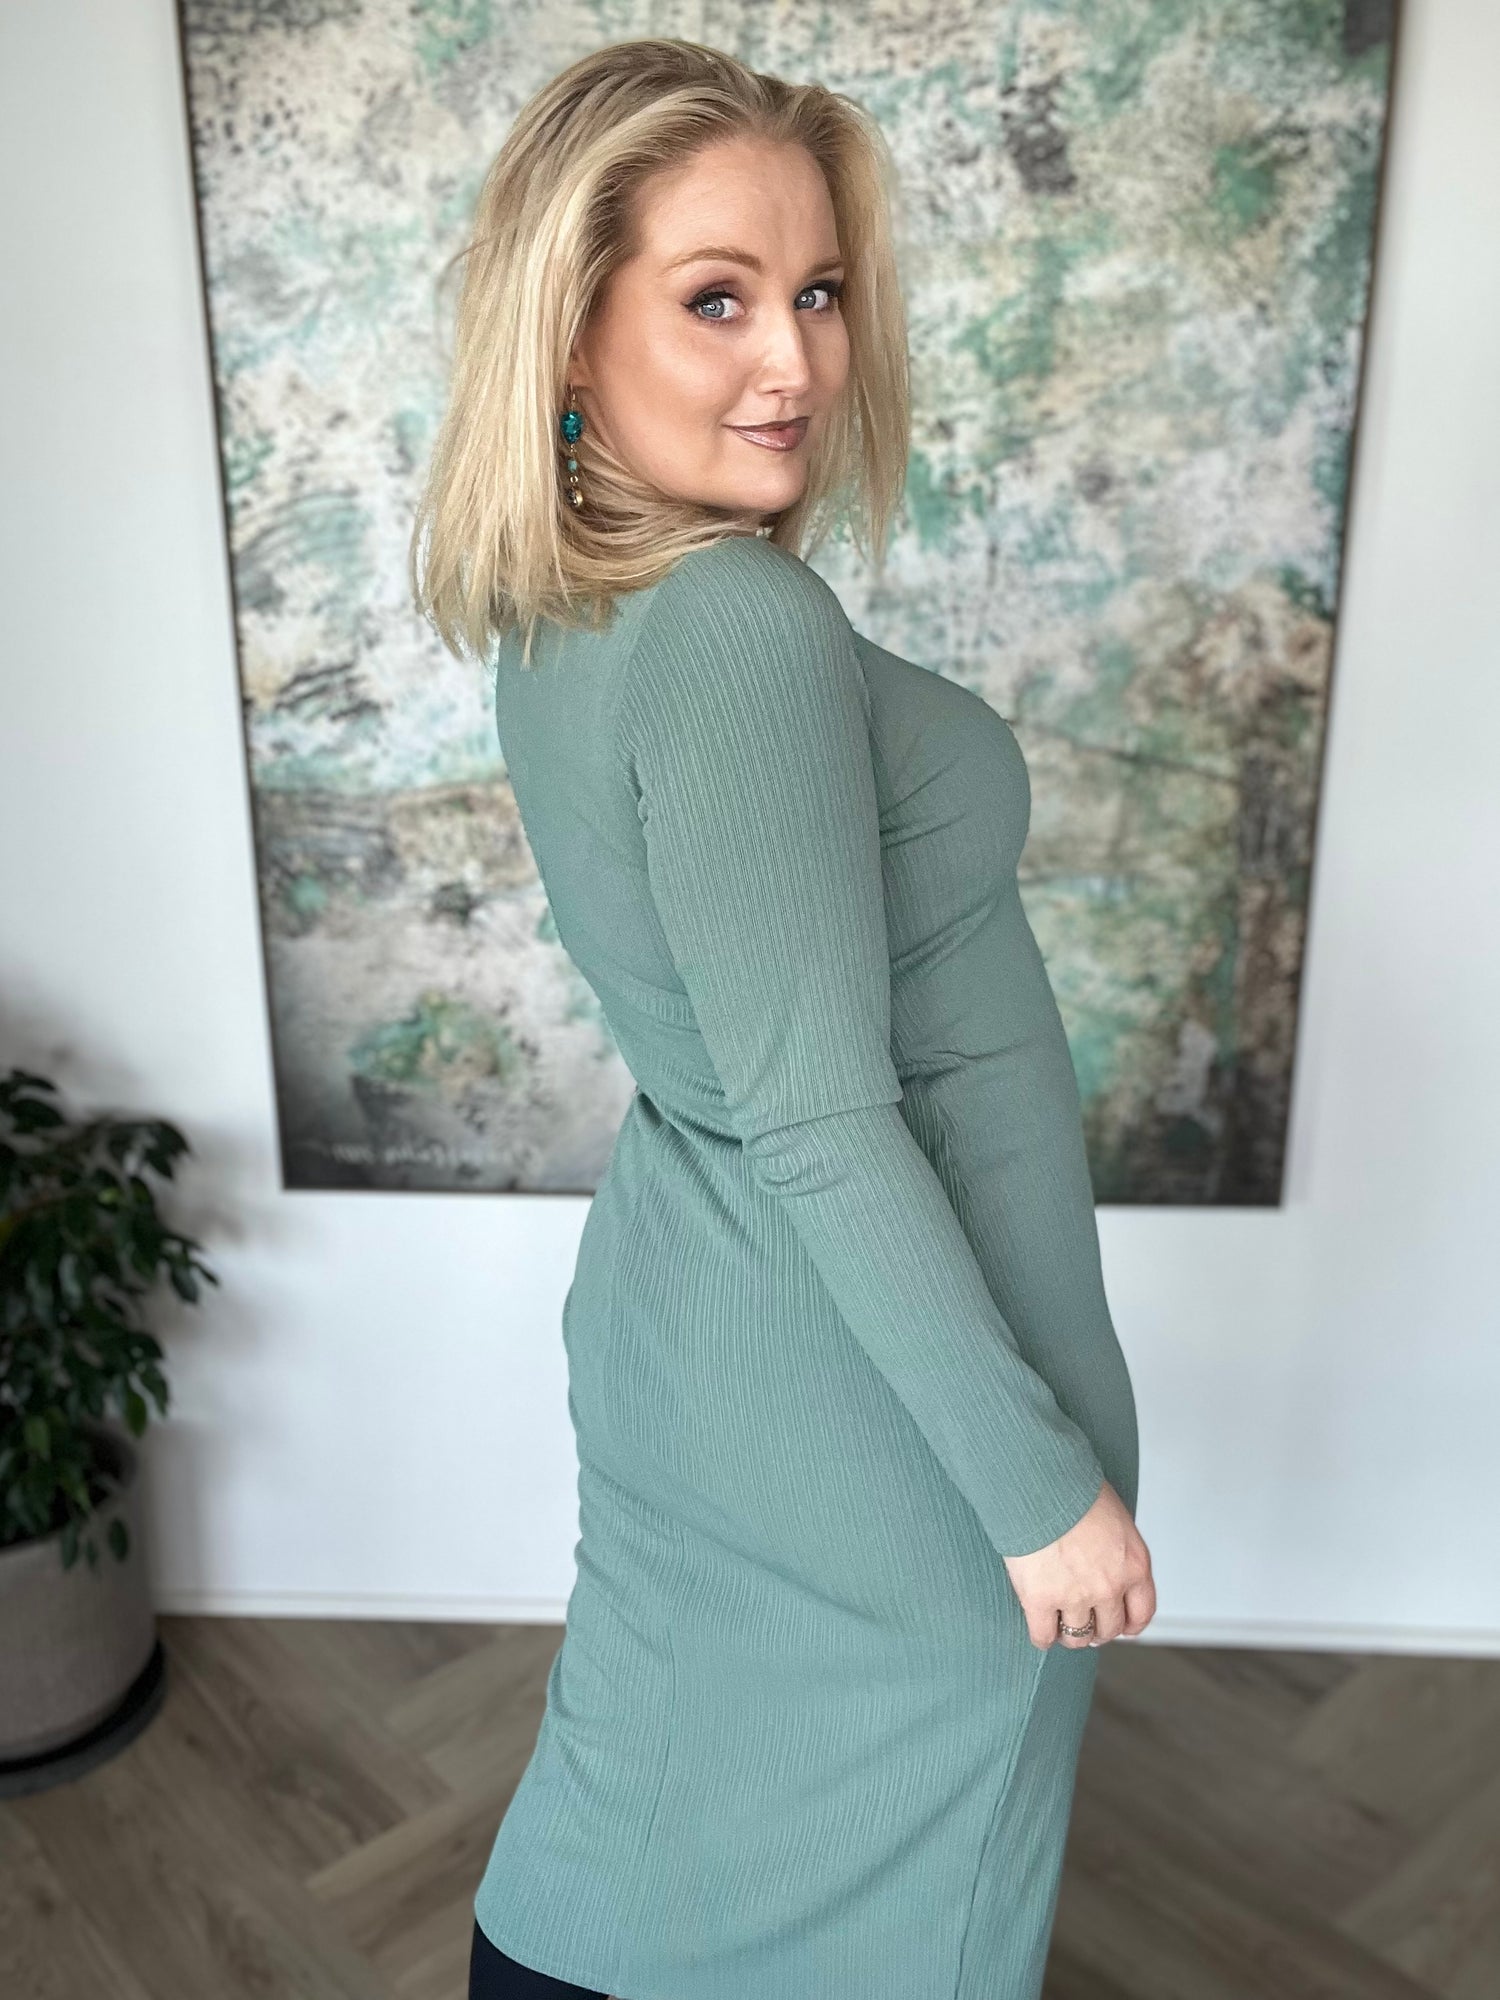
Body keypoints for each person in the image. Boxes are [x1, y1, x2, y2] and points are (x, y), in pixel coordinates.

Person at [411, 36, 1154, 2000]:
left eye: (817, 292)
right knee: (875, 1905)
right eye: (718, 298)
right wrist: (1039, 1487)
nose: (798, 361)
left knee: (652, 1804)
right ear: (573, 328)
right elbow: (820, 1113)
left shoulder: (577, 601)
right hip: (865, 1391)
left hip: (715, 1313)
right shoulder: (736, 628)